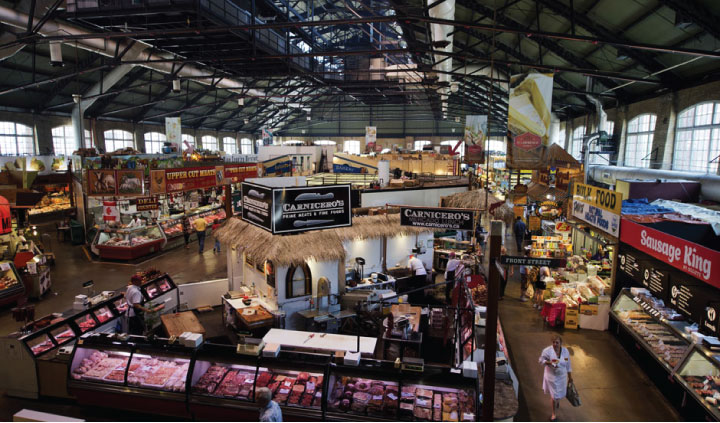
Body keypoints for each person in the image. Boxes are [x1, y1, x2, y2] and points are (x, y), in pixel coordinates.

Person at [539, 334, 573, 422]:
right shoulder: (547, 351)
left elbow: (568, 364)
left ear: (561, 343)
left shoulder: (565, 352)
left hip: (562, 377)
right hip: (551, 377)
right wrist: (549, 362)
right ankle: (554, 413)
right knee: (554, 396)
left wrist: (570, 377)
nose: (555, 344)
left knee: (558, 395)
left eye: (557, 342)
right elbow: (540, 360)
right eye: (553, 342)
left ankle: (557, 400)